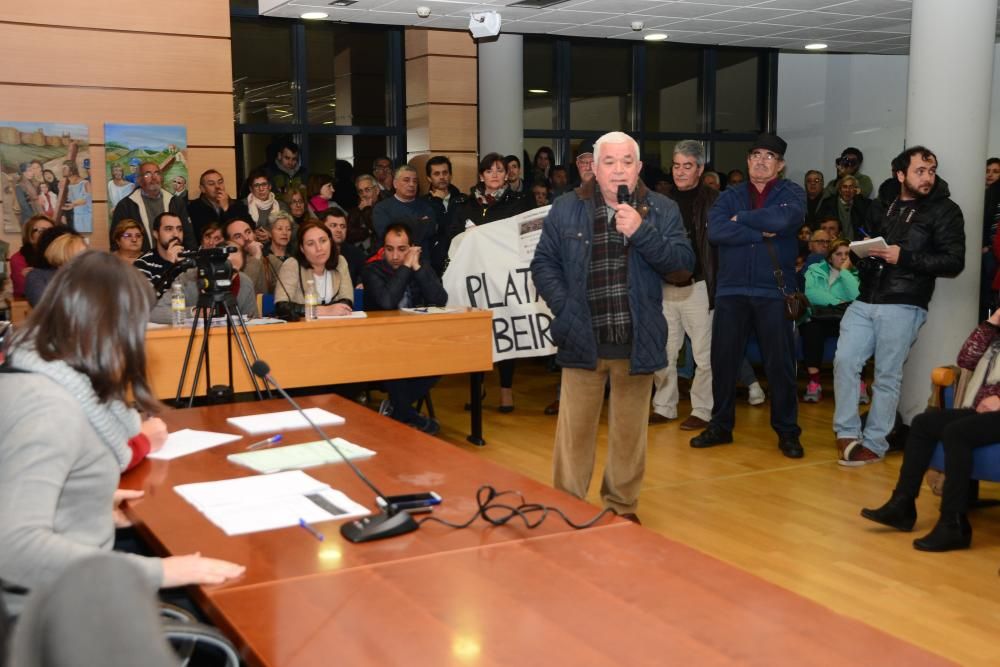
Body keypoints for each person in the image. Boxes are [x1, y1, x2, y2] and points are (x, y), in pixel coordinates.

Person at [0, 251, 245, 619]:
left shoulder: (40, 374)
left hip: (76, 581)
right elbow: (15, 549)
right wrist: (161, 572)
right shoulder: (49, 407)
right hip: (61, 615)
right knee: (224, 604)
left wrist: (88, 500)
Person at [531, 131, 695, 523]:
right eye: (609, 162)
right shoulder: (566, 208)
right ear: (593, 168)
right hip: (582, 337)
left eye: (626, 162)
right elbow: (544, 264)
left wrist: (641, 231)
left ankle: (621, 507)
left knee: (629, 435)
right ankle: (568, 505)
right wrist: (565, 308)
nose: (618, 170)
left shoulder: (662, 210)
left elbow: (682, 268)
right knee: (574, 435)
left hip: (636, 340)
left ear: (638, 168)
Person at [833, 145, 965, 466]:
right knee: (844, 361)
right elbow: (864, 241)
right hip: (866, 297)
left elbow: (953, 261)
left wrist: (902, 257)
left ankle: (876, 443)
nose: (927, 177)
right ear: (901, 174)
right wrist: (860, 254)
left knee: (887, 376)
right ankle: (847, 431)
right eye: (920, 171)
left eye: (931, 171)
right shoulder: (882, 205)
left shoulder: (945, 210)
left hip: (905, 302)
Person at [690, 133, 806, 459]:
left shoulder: (792, 193)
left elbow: (785, 219)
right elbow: (717, 231)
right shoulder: (729, 196)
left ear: (780, 165)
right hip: (731, 290)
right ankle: (720, 426)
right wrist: (759, 228)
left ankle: (787, 432)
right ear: (747, 160)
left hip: (774, 291)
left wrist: (740, 220)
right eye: (756, 154)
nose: (761, 160)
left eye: (769, 156)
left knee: (780, 365)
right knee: (723, 362)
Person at [860, 310, 1000, 551]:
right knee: (923, 423)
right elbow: (966, 359)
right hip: (981, 410)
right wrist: (992, 322)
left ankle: (953, 523)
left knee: (957, 432)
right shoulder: (995, 333)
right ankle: (902, 504)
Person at [650, 140, 718, 431]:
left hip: (699, 286)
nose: (680, 172)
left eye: (687, 166)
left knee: (704, 356)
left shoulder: (716, 201)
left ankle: (703, 410)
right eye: (676, 166)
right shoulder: (660, 201)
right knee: (663, 351)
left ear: (700, 169)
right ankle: (664, 406)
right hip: (664, 287)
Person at [456, 152, 532, 412]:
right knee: (476, 334)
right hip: (476, 278)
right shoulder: (467, 205)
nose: (495, 175)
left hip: (504, 277)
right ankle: (477, 385)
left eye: (500, 170)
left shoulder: (519, 203)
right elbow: (454, 241)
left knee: (504, 330)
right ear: (481, 176)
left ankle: (506, 390)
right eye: (490, 171)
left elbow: (524, 237)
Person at [362, 223, 447, 434]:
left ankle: (396, 410)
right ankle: (405, 413)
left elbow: (440, 299)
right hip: (378, 346)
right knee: (396, 361)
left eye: (402, 249)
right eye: (389, 249)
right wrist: (406, 268)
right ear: (383, 249)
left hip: (414, 341)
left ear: (411, 248)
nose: (395, 256)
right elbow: (387, 302)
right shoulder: (372, 270)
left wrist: (417, 268)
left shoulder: (419, 265)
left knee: (443, 358)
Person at [800, 239, 859, 402]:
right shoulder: (815, 269)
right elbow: (810, 292)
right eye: (838, 254)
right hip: (818, 316)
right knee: (812, 328)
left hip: (844, 319)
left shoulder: (855, 274)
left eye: (847, 254)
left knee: (859, 330)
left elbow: (856, 296)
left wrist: (845, 272)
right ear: (830, 256)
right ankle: (814, 382)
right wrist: (837, 302)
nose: (843, 258)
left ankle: (858, 382)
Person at [149, 240, 258, 325]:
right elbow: (154, 313)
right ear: (211, 264)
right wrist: (194, 313)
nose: (226, 276)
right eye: (221, 269)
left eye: (232, 271)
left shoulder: (244, 282)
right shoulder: (187, 278)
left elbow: (254, 322)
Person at [274, 219, 353, 320]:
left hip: (335, 328)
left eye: (323, 241)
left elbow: (347, 301)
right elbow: (282, 307)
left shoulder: (340, 262)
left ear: (330, 241)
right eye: (311, 243)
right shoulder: (292, 265)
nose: (319, 248)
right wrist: (325, 311)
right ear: (302, 248)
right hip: (301, 330)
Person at [111, 161, 192, 251]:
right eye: (147, 174)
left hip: (173, 260)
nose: (153, 178)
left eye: (157, 173)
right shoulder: (125, 206)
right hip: (139, 262)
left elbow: (189, 236)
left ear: (161, 178)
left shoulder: (176, 202)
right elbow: (115, 239)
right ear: (139, 180)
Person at [372, 166, 437, 254]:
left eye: (415, 181)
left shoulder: (426, 207)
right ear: (395, 184)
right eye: (406, 180)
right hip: (394, 261)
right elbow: (390, 237)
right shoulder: (381, 208)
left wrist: (401, 225)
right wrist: (420, 223)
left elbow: (430, 232)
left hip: (422, 260)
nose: (411, 184)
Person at [423, 155, 468, 275]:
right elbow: (431, 230)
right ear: (429, 178)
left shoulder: (464, 200)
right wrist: (437, 202)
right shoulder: (422, 203)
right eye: (436, 174)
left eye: (445, 173)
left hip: (461, 261)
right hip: (433, 267)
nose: (442, 177)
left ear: (450, 175)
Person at [24, 229, 87, 307]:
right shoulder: (37, 276)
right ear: (64, 253)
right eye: (80, 253)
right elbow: (45, 307)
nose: (86, 257)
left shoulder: (87, 276)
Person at [133, 212, 188, 300]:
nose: (176, 234)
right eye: (169, 229)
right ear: (156, 234)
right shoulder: (142, 264)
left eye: (179, 229)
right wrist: (169, 265)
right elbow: (146, 301)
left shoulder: (191, 258)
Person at [186, 169, 249, 241]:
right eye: (211, 184)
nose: (217, 186)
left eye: (220, 182)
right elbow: (203, 234)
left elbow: (245, 228)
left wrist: (226, 208)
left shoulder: (238, 205)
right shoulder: (194, 208)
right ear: (202, 189)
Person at [9, 215, 54, 298]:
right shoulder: (18, 258)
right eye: (42, 231)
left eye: (51, 231)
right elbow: (25, 288)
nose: (48, 235)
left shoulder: (60, 255)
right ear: (30, 237)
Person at [223, 218, 268, 295]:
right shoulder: (227, 265)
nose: (246, 238)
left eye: (248, 232)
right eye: (238, 236)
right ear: (229, 242)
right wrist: (256, 257)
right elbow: (241, 293)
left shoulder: (270, 260)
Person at [816, 174, 869, 240]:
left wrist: (859, 197)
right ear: (840, 190)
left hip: (856, 244)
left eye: (851, 187)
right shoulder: (828, 204)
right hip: (834, 243)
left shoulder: (862, 204)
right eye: (844, 187)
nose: (848, 190)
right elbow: (819, 224)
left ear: (855, 190)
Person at [320, 208, 364, 286]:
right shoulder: (315, 252)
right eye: (333, 225)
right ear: (322, 228)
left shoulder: (356, 254)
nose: (339, 230)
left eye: (343, 226)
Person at [244, 169, 288, 234]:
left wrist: (271, 236)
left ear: (270, 186)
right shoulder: (243, 205)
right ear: (251, 189)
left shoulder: (281, 206)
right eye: (256, 185)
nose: (261, 189)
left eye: (264, 184)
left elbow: (291, 230)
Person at [348, 174, 379, 252]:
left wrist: (367, 209)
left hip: (377, 255)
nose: (364, 194)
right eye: (360, 191)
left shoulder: (385, 207)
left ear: (377, 190)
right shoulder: (355, 210)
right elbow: (348, 234)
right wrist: (367, 231)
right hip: (357, 255)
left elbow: (376, 229)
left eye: (367, 190)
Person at [61, 160, 92, 233]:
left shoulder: (85, 183)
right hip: (77, 217)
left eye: (65, 168)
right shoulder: (69, 185)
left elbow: (87, 199)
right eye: (62, 168)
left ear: (72, 169)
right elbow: (69, 200)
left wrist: (73, 204)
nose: (62, 170)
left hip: (87, 216)